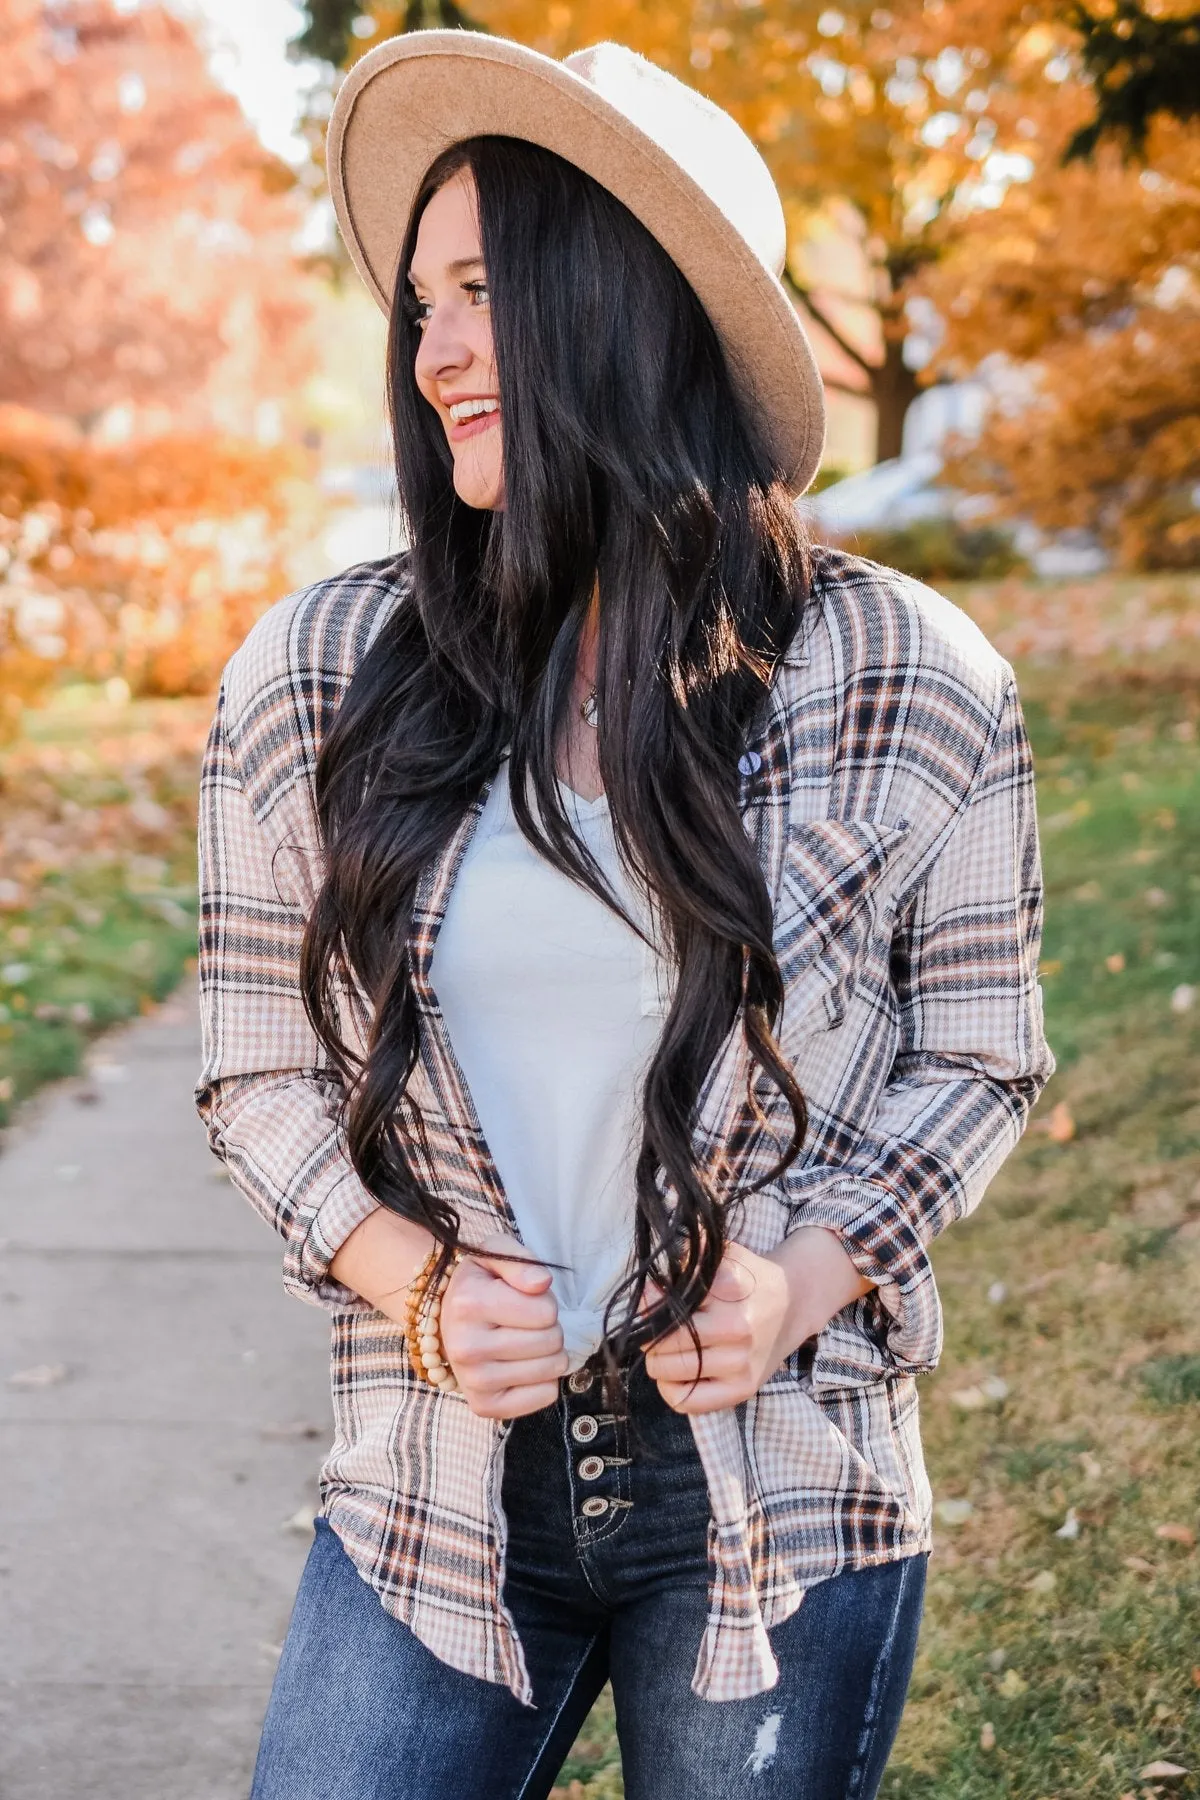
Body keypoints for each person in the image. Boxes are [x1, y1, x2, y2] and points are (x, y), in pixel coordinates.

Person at [194, 30, 1055, 1800]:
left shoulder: (913, 675)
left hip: (777, 1486)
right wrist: (408, 1279)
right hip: (433, 1474)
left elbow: (981, 1057)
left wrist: (797, 1281)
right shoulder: (317, 673)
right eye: (415, 304)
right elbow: (251, 1071)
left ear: (629, 299)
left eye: (480, 289)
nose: (428, 351)